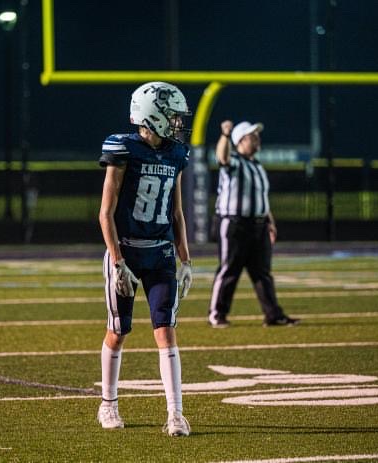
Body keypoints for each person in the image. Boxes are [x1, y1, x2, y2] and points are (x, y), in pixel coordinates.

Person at [97, 81, 193, 437]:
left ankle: (176, 413)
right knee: (118, 330)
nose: (177, 121)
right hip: (127, 249)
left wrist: (186, 259)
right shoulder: (124, 149)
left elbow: (178, 213)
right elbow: (105, 212)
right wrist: (117, 259)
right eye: (171, 114)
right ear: (152, 114)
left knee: (166, 331)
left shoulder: (176, 153)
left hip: (160, 253)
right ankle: (108, 404)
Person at [208, 120, 300, 328]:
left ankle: (273, 315)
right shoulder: (234, 162)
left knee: (262, 273)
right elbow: (222, 157)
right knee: (229, 270)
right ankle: (217, 314)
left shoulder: (257, 165)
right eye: (252, 136)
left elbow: (262, 199)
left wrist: (270, 222)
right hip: (234, 224)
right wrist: (225, 135)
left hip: (257, 225)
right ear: (240, 140)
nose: (257, 139)